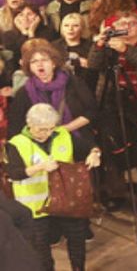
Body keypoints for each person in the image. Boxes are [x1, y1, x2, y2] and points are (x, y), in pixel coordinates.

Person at [7, 103, 100, 271]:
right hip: (36, 209)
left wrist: (94, 153)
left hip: (66, 201)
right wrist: (39, 167)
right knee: (41, 251)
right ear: (30, 125)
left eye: (50, 128)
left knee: (77, 240)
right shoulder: (17, 143)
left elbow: (87, 146)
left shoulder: (62, 134)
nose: (47, 133)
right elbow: (14, 173)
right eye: (41, 129)